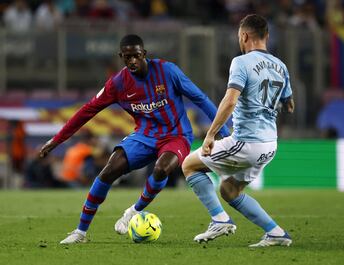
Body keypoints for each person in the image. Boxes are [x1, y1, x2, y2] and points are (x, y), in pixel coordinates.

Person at [39, 34, 230, 244]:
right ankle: (80, 232)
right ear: (121, 56)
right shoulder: (118, 84)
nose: (132, 61)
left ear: (144, 54)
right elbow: (87, 111)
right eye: (127, 57)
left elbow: (200, 98)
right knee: (109, 170)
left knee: (161, 168)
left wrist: (223, 130)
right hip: (144, 136)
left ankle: (134, 209)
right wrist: (57, 140)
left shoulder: (167, 71)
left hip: (176, 134)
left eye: (136, 56)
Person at [182, 14, 295, 247]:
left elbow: (230, 101)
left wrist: (211, 134)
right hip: (270, 144)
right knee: (229, 189)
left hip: (246, 142)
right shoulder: (281, 66)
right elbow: (290, 104)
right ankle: (276, 233)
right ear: (267, 36)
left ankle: (219, 220)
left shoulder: (241, 62)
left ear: (244, 36)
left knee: (189, 165)